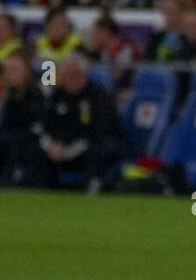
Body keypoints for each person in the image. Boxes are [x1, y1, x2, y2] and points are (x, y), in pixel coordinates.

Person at [31, 54, 127, 191]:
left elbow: (98, 132)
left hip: (90, 146)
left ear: (85, 75)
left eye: (76, 75)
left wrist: (67, 150)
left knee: (98, 151)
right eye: (67, 76)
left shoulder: (99, 97)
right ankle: (40, 189)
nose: (72, 80)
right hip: (61, 149)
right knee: (34, 148)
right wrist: (51, 145)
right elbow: (45, 125)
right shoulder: (57, 96)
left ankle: (93, 188)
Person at [0, 50, 45, 186]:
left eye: (16, 69)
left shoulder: (37, 96)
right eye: (9, 70)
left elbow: (38, 126)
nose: (11, 74)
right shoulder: (7, 98)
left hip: (29, 144)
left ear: (26, 73)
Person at [82, 14, 141, 87]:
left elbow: (124, 75)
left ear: (106, 33)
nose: (91, 37)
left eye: (95, 33)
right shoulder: (98, 51)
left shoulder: (127, 48)